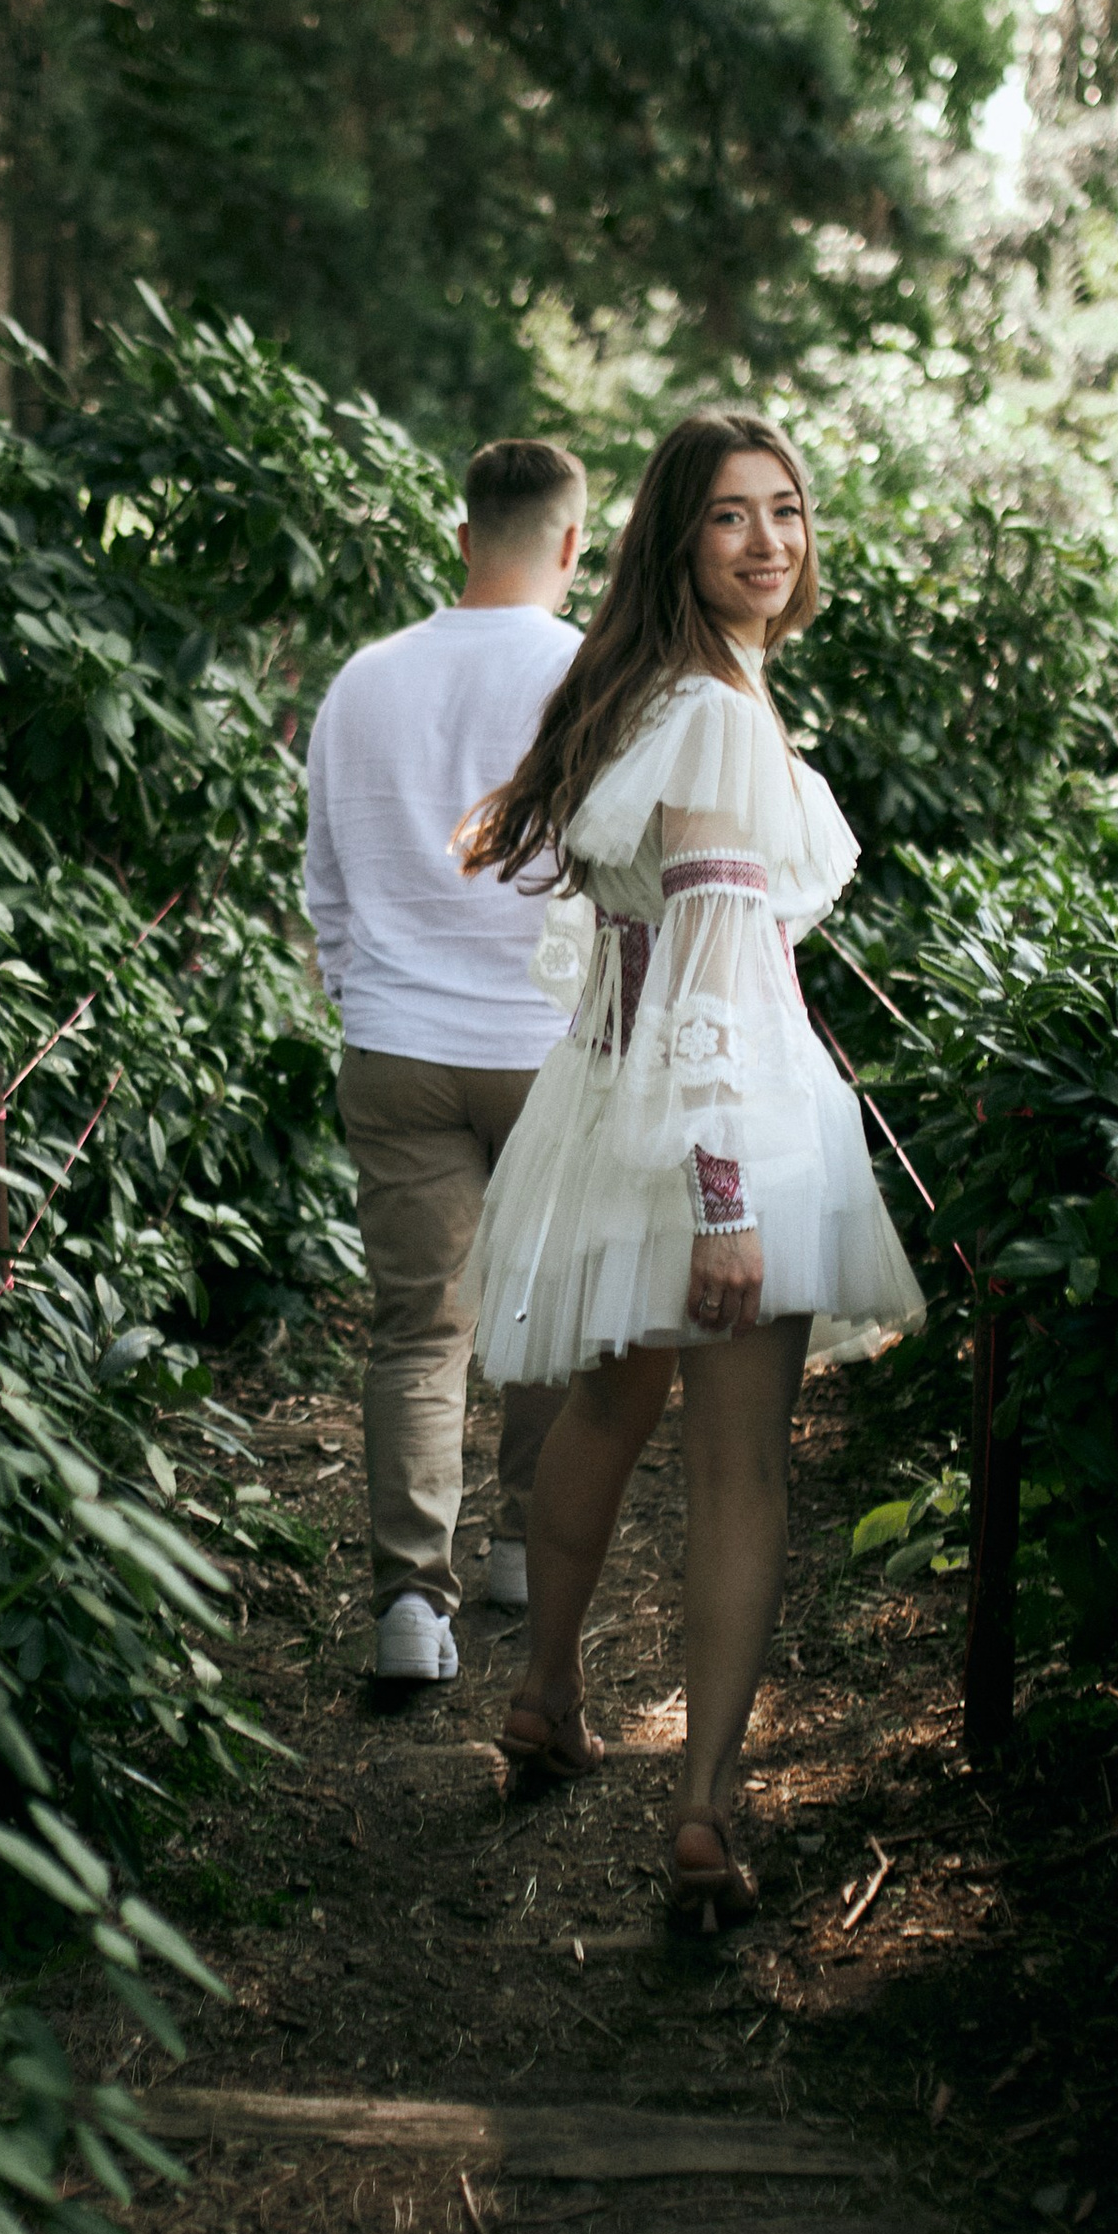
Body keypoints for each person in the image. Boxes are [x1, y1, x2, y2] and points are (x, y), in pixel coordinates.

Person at [459, 408, 925, 1924]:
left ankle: (544, 1695)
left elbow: (610, 936)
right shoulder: (715, 715)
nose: (768, 542)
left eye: (786, 511)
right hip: (723, 1124)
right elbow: (718, 969)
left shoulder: (652, 691)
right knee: (739, 1466)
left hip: (616, 1100)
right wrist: (725, 1200)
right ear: (676, 536)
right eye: (731, 516)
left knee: (608, 1398)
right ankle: (707, 1805)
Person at [305, 436, 589, 1686]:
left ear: (462, 536)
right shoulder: (594, 676)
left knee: (420, 1329)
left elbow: (323, 882)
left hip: (397, 1044)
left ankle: (410, 1608)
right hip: (544, 1051)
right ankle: (524, 1549)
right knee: (544, 1314)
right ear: (573, 544)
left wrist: (364, 995)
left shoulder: (362, 681)